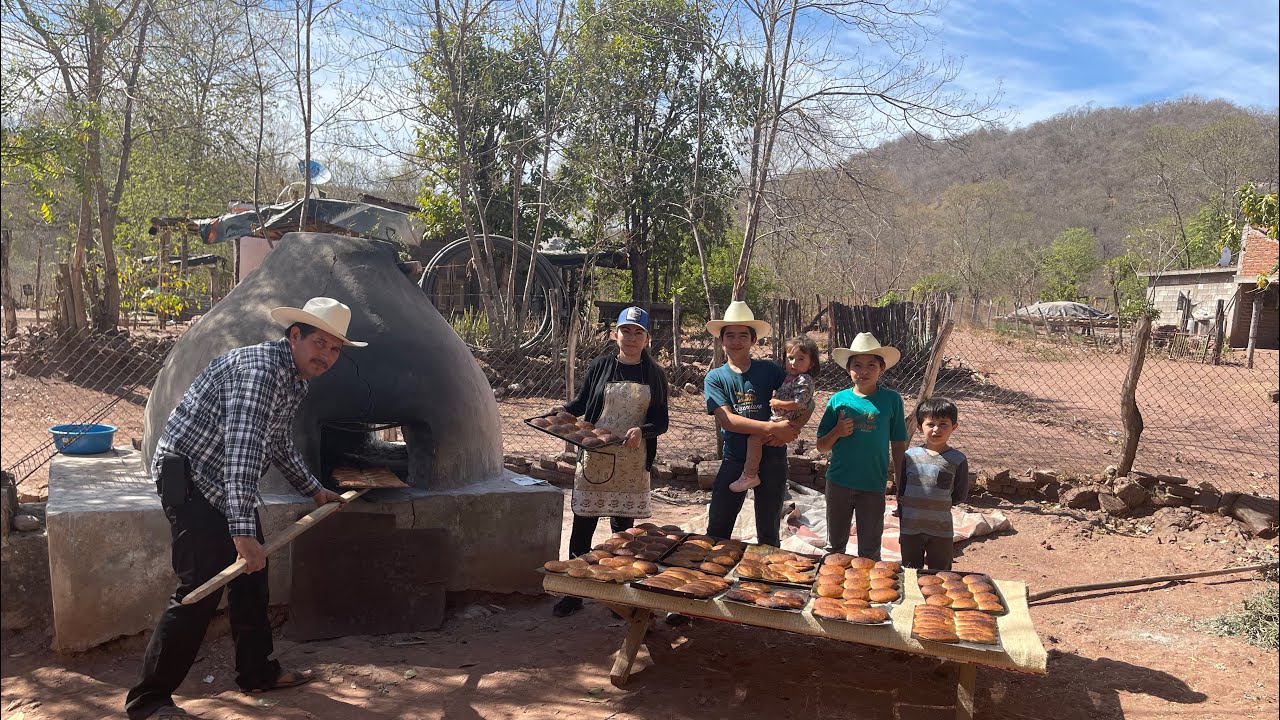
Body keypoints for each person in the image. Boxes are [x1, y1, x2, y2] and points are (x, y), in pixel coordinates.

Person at [125, 297, 363, 720]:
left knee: (253, 574)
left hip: (220, 478)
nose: (326, 356)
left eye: (334, 349)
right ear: (295, 336)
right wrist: (242, 534)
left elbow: (274, 442)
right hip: (191, 477)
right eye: (319, 344)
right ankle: (149, 701)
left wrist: (315, 491)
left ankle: (257, 673)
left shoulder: (291, 378)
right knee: (199, 587)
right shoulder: (259, 374)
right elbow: (242, 453)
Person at [549, 306, 669, 617]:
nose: (631, 337)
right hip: (596, 456)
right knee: (584, 522)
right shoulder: (601, 365)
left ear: (647, 339)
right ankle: (575, 592)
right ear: (615, 334)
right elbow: (582, 402)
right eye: (625, 331)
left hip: (630, 457)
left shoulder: (654, 374)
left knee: (622, 529)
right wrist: (562, 412)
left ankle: (618, 590)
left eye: (638, 332)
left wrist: (641, 431)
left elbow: (661, 421)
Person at [704, 301, 804, 547]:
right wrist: (771, 428)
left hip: (773, 457)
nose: (736, 341)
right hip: (735, 458)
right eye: (730, 336)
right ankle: (710, 576)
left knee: (769, 527)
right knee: (718, 524)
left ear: (753, 340)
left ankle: (766, 579)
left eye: (743, 336)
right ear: (721, 340)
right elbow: (728, 420)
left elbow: (804, 401)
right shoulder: (715, 377)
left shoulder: (769, 370)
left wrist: (793, 428)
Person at [815, 332, 908, 560]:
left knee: (869, 549)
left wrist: (900, 478)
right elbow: (821, 447)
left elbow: (898, 442)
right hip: (839, 482)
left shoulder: (892, 400)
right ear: (848, 369)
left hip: (873, 484)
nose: (863, 371)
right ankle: (831, 592)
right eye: (857, 365)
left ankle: (870, 595)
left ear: (882, 369)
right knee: (835, 546)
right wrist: (837, 431)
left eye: (871, 365)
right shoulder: (838, 400)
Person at [731, 334, 820, 492]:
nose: (793, 363)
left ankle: (750, 475)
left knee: (754, 439)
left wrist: (779, 404)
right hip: (779, 420)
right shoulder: (790, 377)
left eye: (801, 359)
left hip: (781, 421)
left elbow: (801, 404)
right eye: (790, 358)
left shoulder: (803, 380)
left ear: (811, 363)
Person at [897, 397, 969, 571]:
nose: (936, 429)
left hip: (940, 530)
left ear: (954, 427)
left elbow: (959, 494)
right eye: (931, 424)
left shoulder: (957, 460)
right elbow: (902, 490)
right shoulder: (910, 456)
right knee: (910, 572)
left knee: (941, 574)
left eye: (943, 424)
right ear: (921, 426)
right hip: (910, 528)